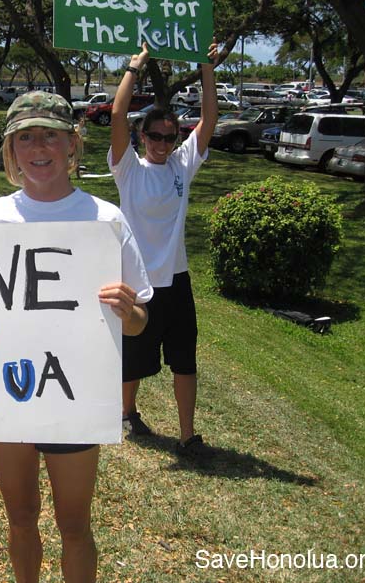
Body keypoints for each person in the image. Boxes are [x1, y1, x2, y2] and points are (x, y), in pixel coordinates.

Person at [0, 91, 153, 583]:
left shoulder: (105, 220)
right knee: (20, 519)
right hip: (8, 398)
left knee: (75, 526)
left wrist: (130, 313)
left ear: (71, 145)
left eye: (49, 135)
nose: (38, 147)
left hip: (74, 399)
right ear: (12, 150)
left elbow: (140, 320)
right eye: (25, 138)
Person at [108, 41, 219, 458]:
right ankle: (127, 412)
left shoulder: (181, 165)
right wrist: (134, 68)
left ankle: (188, 435)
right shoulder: (128, 169)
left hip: (176, 279)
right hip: (137, 282)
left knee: (184, 358)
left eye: (169, 137)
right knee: (134, 355)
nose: (162, 142)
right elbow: (117, 114)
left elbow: (209, 118)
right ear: (142, 136)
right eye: (154, 135)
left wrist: (205, 64)